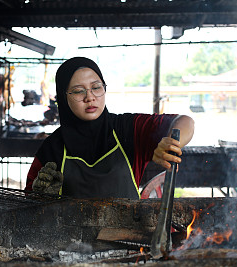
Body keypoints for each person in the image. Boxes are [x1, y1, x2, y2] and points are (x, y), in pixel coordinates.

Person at [25, 57, 194, 199]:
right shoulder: (52, 148)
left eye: (96, 87)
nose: (90, 97)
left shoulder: (128, 129)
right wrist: (41, 198)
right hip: (72, 240)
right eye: (78, 91)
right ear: (63, 98)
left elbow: (184, 121)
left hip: (129, 237)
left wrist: (172, 143)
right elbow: (28, 206)